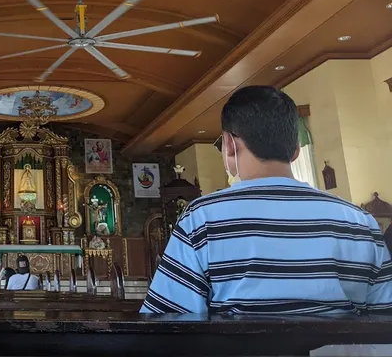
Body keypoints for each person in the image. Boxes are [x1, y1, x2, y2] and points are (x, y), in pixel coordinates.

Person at [141, 85, 392, 315]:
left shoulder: (201, 219)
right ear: (296, 149)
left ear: (229, 144)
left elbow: (167, 321)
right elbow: (384, 321)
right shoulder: (361, 223)